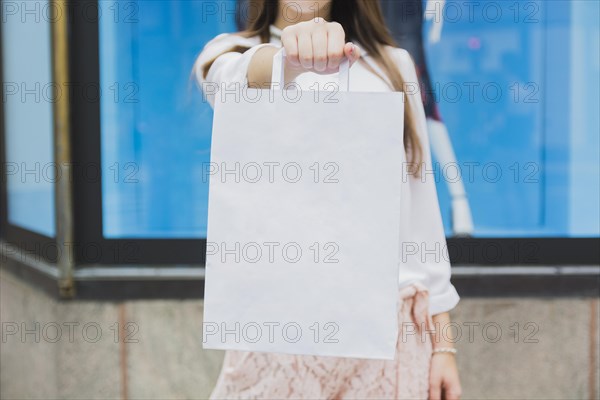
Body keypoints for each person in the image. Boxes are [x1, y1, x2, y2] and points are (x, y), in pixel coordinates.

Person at [194, 1, 462, 399]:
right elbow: (233, 80)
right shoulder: (231, 52)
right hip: (279, 330)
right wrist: (289, 56)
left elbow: (421, 220)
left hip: (390, 331)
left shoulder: (392, 65)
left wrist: (444, 346)